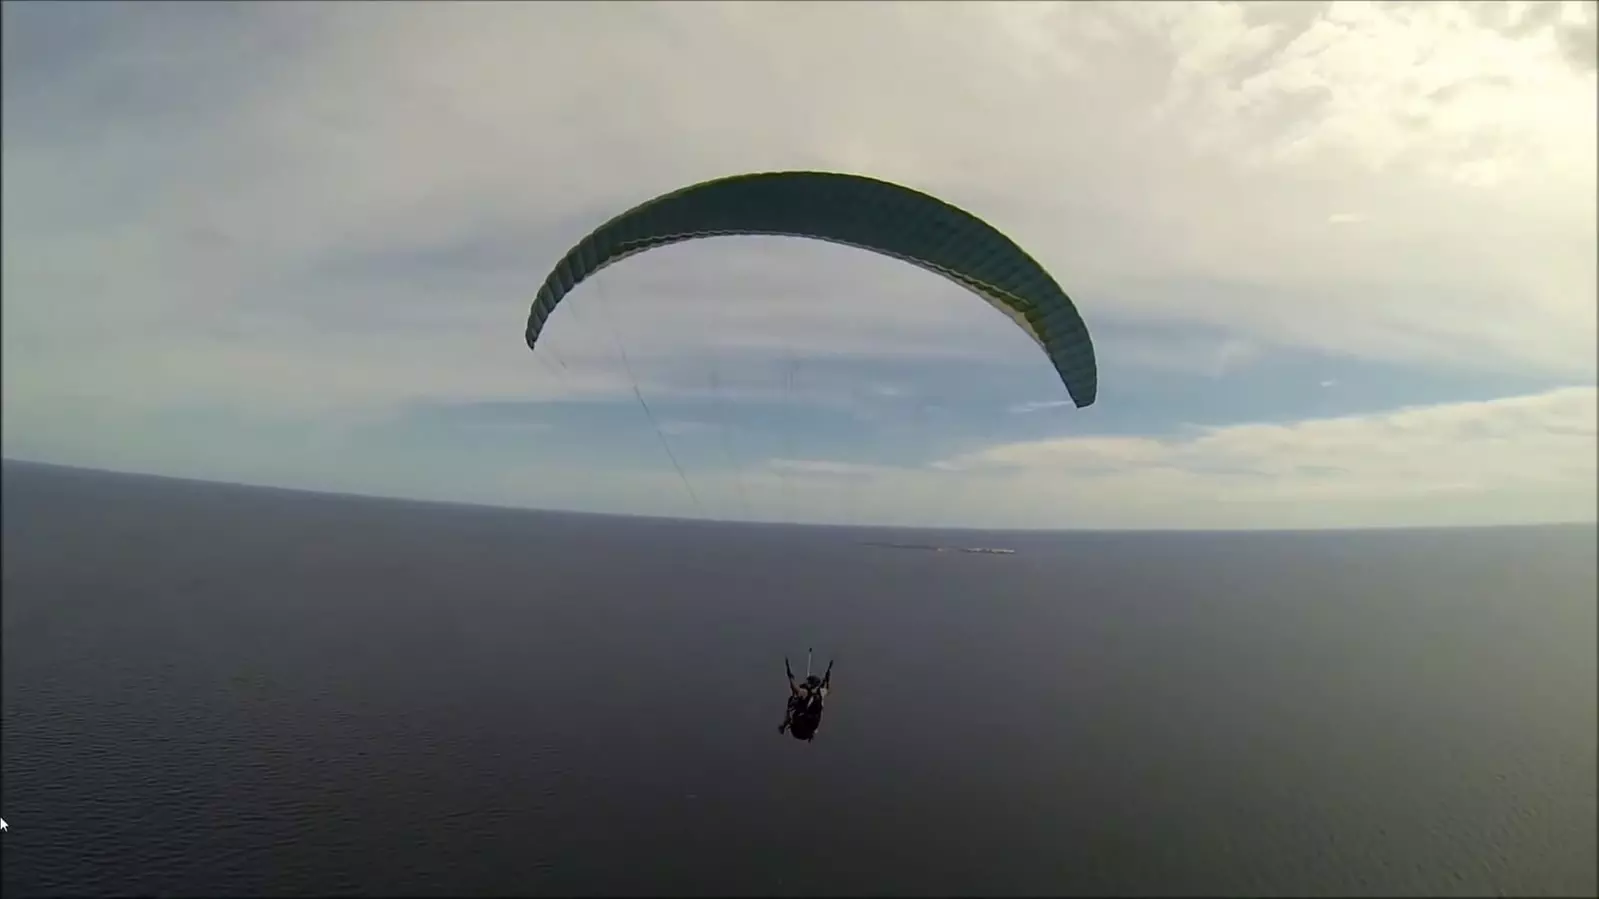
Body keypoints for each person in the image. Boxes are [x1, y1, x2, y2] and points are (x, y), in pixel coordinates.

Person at [780, 653, 833, 742]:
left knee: (793, 701)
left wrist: (790, 675)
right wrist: (827, 679)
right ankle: (788, 722)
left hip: (800, 729)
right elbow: (828, 689)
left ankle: (787, 723)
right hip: (808, 730)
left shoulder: (805, 693)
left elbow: (795, 688)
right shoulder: (821, 692)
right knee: (797, 701)